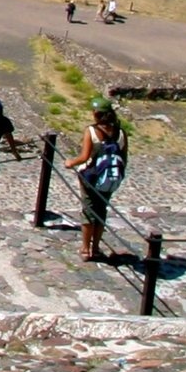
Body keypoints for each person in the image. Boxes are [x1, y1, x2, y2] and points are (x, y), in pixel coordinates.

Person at [68, 105, 129, 262]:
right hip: (110, 177)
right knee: (101, 210)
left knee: (89, 210)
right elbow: (124, 158)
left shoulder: (92, 131)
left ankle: (85, 249)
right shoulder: (121, 133)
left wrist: (70, 162)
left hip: (90, 176)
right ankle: (95, 248)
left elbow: (84, 157)